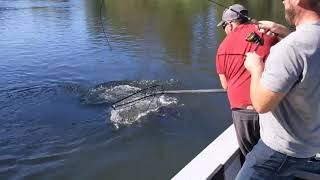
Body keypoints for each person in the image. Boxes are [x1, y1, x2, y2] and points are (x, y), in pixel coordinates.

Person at [236, 0, 320, 179]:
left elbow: (261, 104)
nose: (283, 1)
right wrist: (285, 32)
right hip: (310, 144)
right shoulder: (303, 41)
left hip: (279, 151)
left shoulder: (289, 48)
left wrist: (255, 68)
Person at [215, 4, 278, 161]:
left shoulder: (222, 48)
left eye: (224, 26)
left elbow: (225, 85)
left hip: (245, 113)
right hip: (273, 107)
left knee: (253, 161)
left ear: (230, 24)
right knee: (275, 158)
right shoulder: (268, 33)